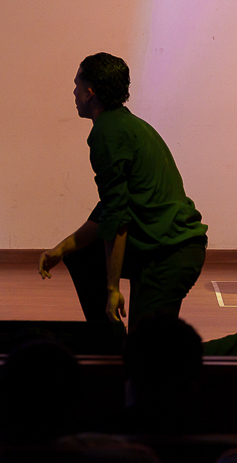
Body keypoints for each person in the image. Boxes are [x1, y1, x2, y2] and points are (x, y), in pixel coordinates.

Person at [38, 53, 207, 332]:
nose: (74, 92)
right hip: (160, 247)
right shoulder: (124, 124)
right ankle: (110, 346)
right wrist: (61, 249)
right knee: (81, 255)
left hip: (169, 254)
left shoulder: (108, 133)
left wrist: (112, 288)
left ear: (90, 93)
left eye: (77, 85)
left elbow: (117, 217)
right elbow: (109, 209)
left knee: (151, 356)